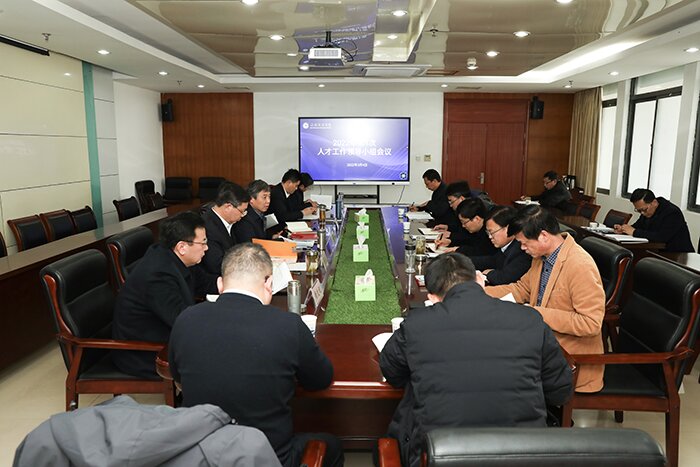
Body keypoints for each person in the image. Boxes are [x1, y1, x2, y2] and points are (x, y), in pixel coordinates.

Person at [380, 253, 572, 467]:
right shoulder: (530, 319)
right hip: (523, 455)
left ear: (432, 297)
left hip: (441, 455)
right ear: (480, 280)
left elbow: (392, 372)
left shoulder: (416, 324)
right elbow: (560, 391)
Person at [168, 243, 343, 467]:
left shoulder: (186, 319)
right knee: (332, 445)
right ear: (269, 284)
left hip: (199, 455)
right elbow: (321, 379)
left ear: (220, 284)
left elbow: (177, 376)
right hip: (268, 457)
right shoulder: (288, 325)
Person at [485, 205, 605, 393]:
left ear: (543, 236)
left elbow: (590, 323)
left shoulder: (579, 265)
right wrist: (476, 292)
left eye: (524, 243)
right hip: (541, 343)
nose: (522, 248)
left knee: (492, 366)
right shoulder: (541, 258)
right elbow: (520, 289)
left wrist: (535, 313)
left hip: (569, 359)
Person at [112, 211, 208, 378]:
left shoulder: (176, 257)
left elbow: (205, 282)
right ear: (182, 247)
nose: (206, 248)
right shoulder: (157, 275)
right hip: (145, 353)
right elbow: (181, 319)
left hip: (164, 335)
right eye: (203, 243)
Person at [197, 181, 250, 289]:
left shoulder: (228, 221)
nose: (243, 216)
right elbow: (216, 265)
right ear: (228, 207)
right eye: (242, 211)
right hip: (216, 284)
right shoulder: (208, 227)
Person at [614, 188, 694, 253]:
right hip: (656, 250)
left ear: (654, 203)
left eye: (644, 210)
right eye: (638, 211)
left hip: (677, 254)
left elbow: (661, 237)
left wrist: (634, 232)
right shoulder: (647, 212)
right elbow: (638, 226)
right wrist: (624, 229)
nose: (642, 213)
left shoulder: (672, 213)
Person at [471, 205, 531, 286]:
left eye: (491, 232)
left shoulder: (521, 248)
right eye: (488, 233)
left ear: (508, 229)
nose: (490, 237)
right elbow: (493, 260)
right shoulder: (508, 246)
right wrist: (464, 261)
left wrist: (489, 274)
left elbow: (505, 277)